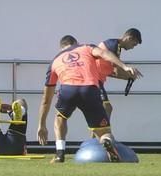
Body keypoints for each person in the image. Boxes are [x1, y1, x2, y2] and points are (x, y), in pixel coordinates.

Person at [37, 35, 142, 163]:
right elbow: (104, 53)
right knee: (104, 132)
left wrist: (41, 125)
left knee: (60, 117)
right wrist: (125, 67)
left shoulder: (55, 60)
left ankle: (60, 153)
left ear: (61, 48)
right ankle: (107, 141)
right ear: (76, 43)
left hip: (68, 90)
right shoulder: (86, 47)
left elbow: (46, 99)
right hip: (90, 89)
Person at [97, 28, 142, 119]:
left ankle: (100, 132)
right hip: (93, 80)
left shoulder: (116, 46)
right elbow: (116, 69)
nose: (132, 48)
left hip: (97, 80)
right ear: (129, 38)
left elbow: (112, 71)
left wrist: (128, 76)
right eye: (133, 44)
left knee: (105, 108)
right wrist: (128, 74)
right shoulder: (113, 44)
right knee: (107, 108)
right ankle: (104, 132)